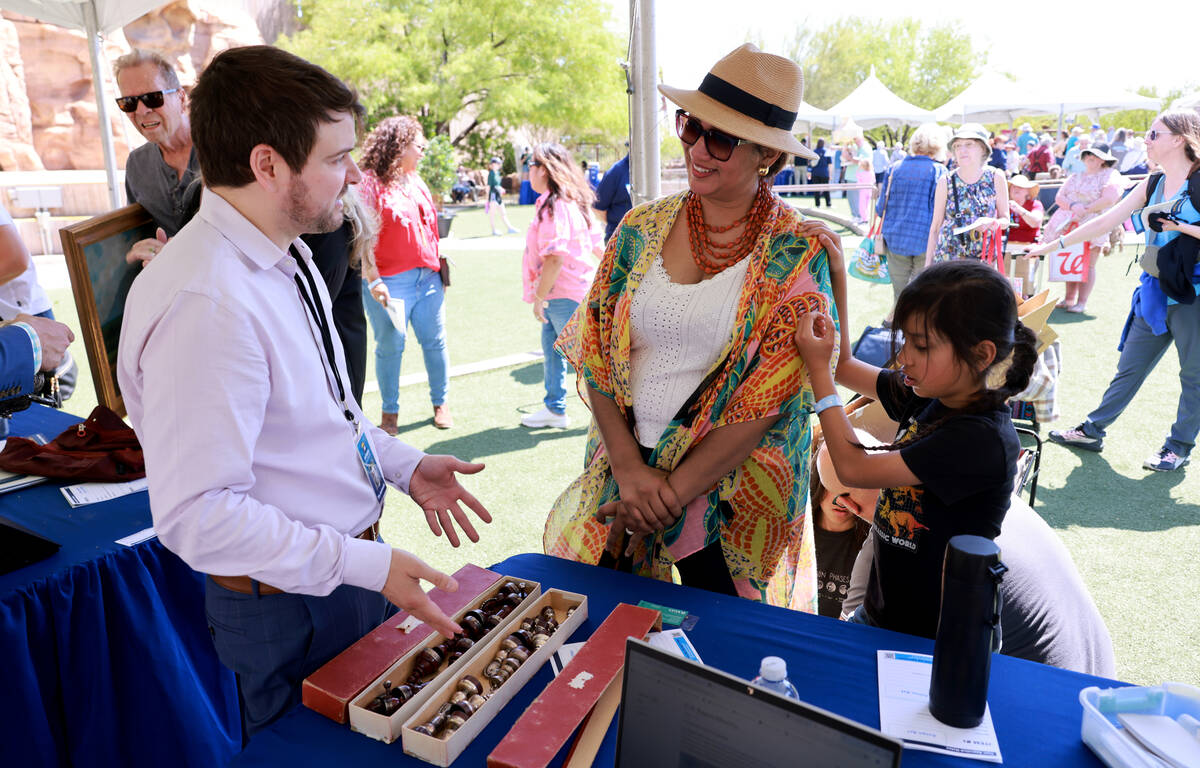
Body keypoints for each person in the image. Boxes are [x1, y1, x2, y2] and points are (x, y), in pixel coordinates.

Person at [115, 45, 494, 738]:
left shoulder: (281, 251)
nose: (353, 175)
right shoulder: (207, 300)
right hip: (289, 610)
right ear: (267, 165)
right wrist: (364, 563)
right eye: (334, 158)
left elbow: (326, 417)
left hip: (337, 580)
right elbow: (198, 515)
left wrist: (403, 466)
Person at [543, 44, 835, 611]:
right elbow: (599, 351)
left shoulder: (798, 253)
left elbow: (767, 402)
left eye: (720, 138)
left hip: (733, 502)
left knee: (731, 663)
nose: (697, 149)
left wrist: (665, 496)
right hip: (625, 481)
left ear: (767, 157)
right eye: (690, 126)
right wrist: (630, 472)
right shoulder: (639, 227)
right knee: (603, 644)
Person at [794, 260, 1037, 638]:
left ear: (982, 354)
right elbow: (843, 364)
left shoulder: (978, 439)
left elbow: (853, 469)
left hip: (941, 636)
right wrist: (838, 268)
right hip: (883, 616)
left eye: (920, 346)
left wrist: (819, 376)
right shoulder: (935, 395)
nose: (904, 356)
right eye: (904, 339)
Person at [1031, 109, 1200, 472]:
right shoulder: (1152, 183)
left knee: (1194, 375)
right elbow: (1106, 220)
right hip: (1156, 289)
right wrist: (1053, 245)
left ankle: (1179, 446)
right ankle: (1093, 430)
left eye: (1154, 134)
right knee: (1129, 367)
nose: (1146, 140)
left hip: (1194, 296)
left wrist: (1181, 228)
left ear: (1178, 139)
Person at [840, 494, 1116, 676]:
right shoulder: (986, 495)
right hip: (1094, 679)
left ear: (849, 504)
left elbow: (852, 641)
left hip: (1041, 696)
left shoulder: (902, 538)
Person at [358, 116, 454, 432]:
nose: (422, 151)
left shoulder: (416, 181)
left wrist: (439, 268)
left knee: (435, 342)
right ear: (399, 147)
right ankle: (389, 414)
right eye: (418, 145)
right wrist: (373, 279)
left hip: (427, 279)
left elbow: (430, 227)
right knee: (391, 346)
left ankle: (441, 403)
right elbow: (362, 237)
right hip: (388, 282)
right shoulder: (370, 182)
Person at [519, 143, 602, 430]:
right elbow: (596, 245)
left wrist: (539, 297)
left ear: (544, 169)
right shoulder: (568, 201)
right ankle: (554, 409)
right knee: (555, 350)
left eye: (531, 165)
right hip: (570, 291)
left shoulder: (555, 205)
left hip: (563, 294)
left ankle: (614, 420)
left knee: (585, 360)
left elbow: (554, 258)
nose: (528, 171)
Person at [113, 49, 199, 264]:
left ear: (181, 98)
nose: (141, 111)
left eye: (152, 98)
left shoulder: (223, 148)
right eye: (129, 103)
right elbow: (141, 236)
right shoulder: (137, 165)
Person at [1042, 143, 1123, 313]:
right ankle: (1069, 299)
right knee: (1071, 258)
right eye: (1087, 155)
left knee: (1089, 264)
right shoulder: (1075, 176)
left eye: (1094, 155)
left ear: (1103, 160)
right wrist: (1073, 207)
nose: (1089, 158)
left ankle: (1082, 302)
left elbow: (1109, 198)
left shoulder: (1110, 175)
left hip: (1094, 223)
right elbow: (1060, 197)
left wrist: (1085, 209)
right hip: (1070, 223)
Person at [875, 124, 948, 303]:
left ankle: (899, 328)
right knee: (923, 296)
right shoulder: (939, 171)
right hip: (925, 240)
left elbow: (880, 208)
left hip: (896, 239)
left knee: (900, 297)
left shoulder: (894, 168)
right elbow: (942, 212)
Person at [810, 431, 874, 619]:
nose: (842, 500)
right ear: (818, 481)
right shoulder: (795, 533)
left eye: (853, 489)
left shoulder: (874, 543)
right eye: (835, 487)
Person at [926, 124, 1009, 266]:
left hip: (983, 261)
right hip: (948, 259)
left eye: (969, 144)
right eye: (958, 146)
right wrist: (928, 266)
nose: (962, 150)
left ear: (983, 148)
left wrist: (991, 222)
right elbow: (935, 227)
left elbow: (1005, 220)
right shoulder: (945, 180)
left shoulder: (996, 176)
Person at [1006, 175, 1045, 297]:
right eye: (1014, 186)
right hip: (1006, 248)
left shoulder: (1035, 204)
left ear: (1027, 191)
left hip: (1028, 249)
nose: (1016, 188)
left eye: (1021, 187)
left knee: (1026, 284)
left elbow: (1036, 221)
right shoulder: (1003, 205)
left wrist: (1019, 210)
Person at [593, 153, 632, 243]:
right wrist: (618, 224)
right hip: (619, 240)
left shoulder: (651, 169)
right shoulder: (616, 171)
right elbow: (598, 208)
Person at [485, 156, 519, 235]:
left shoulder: (497, 173)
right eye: (497, 163)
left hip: (498, 195)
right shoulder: (491, 173)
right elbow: (489, 186)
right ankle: (493, 230)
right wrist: (487, 200)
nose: (498, 165)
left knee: (503, 212)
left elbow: (497, 185)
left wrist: (501, 189)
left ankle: (510, 228)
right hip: (493, 195)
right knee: (492, 214)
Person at [809, 138, 832, 207]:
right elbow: (830, 164)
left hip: (815, 173)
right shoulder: (827, 151)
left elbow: (810, 164)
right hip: (824, 173)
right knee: (826, 189)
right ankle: (828, 204)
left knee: (816, 189)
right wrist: (830, 174)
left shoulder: (814, 151)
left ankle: (817, 204)